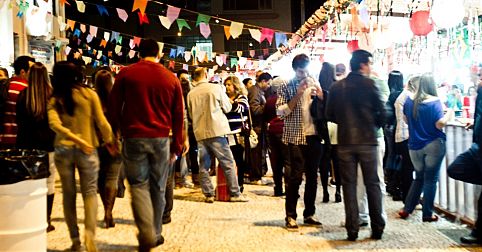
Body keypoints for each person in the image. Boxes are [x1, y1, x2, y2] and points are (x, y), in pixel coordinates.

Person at [108, 39, 185, 251]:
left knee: (139, 186)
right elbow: (179, 114)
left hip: (133, 137)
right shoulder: (171, 78)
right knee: (158, 187)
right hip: (161, 139)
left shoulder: (126, 73)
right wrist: (177, 145)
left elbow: (114, 107)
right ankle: (155, 232)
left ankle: (146, 233)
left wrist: (113, 134)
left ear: (138, 52)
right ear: (158, 54)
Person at [48, 61, 115, 251]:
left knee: (68, 196)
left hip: (63, 150)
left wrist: (72, 138)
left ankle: (75, 241)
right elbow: (102, 122)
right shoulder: (89, 94)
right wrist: (109, 141)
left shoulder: (55, 99)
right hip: (88, 149)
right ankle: (90, 237)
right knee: (90, 193)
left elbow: (54, 125)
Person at [326, 50, 386, 241]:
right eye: (369, 64)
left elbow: (329, 114)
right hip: (368, 141)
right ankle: (377, 228)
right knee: (373, 184)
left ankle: (352, 229)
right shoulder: (370, 84)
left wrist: (344, 122)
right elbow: (383, 113)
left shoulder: (336, 87)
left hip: (345, 142)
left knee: (349, 186)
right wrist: (373, 124)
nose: (370, 67)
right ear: (362, 65)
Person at [276, 54, 324, 229]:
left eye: (307, 70)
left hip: (314, 136)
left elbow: (324, 108)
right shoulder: (286, 86)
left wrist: (320, 96)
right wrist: (297, 95)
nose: (305, 75)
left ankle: (309, 213)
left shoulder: (314, 82)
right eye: (301, 71)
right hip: (295, 137)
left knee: (313, 178)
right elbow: (280, 112)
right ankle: (290, 215)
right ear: (295, 70)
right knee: (294, 177)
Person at [398, 73, 454, 222]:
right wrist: (449, 113)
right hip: (433, 144)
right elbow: (439, 124)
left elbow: (405, 119)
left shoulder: (409, 101)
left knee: (419, 178)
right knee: (430, 179)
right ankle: (427, 214)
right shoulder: (435, 101)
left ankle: (407, 209)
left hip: (414, 146)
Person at [187, 67, 247, 203]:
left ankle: (208, 194)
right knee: (228, 162)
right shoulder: (216, 88)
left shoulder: (191, 94)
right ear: (206, 74)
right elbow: (227, 107)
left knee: (204, 165)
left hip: (200, 132)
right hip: (217, 130)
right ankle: (235, 193)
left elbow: (190, 114)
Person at [16, 62, 56, 232]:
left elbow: (19, 121)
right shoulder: (52, 96)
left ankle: (29, 217)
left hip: (26, 146)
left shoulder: (23, 95)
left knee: (28, 182)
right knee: (49, 182)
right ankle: (46, 220)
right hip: (49, 146)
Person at [447, 69, 482, 244]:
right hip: (478, 146)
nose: (478, 78)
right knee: (455, 168)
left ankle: (477, 233)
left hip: (479, 146)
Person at [93, 69, 122, 229]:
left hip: (96, 144)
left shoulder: (93, 99)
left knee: (100, 179)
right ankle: (108, 212)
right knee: (112, 179)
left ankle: (106, 209)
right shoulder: (117, 100)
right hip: (115, 143)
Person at [0, 56, 35, 148]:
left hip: (4, 137)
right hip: (20, 139)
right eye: (32, 70)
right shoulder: (27, 89)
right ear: (23, 72)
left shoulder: (5, 85)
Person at [394, 76, 419, 202]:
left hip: (401, 135)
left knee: (406, 167)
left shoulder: (403, 95)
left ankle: (407, 197)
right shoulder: (410, 96)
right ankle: (409, 198)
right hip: (407, 135)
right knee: (408, 168)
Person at [224, 76, 249, 193]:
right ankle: (229, 184)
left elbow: (241, 108)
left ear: (235, 86)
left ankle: (240, 184)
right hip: (226, 134)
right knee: (228, 161)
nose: (227, 87)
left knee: (239, 160)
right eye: (226, 85)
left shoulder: (242, 97)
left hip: (238, 134)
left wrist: (229, 102)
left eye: (229, 85)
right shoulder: (224, 98)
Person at [317, 62, 337, 202]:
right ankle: (338, 191)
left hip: (322, 127)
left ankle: (325, 191)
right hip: (336, 127)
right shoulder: (338, 87)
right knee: (337, 160)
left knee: (324, 161)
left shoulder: (318, 87)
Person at [264, 77, 288, 196]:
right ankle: (289, 188)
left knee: (276, 160)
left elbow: (266, 117)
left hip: (272, 132)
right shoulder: (287, 99)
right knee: (288, 161)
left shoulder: (269, 100)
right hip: (285, 130)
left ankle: (278, 188)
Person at [247, 72, 272, 183]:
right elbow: (255, 109)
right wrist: (268, 106)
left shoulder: (259, 91)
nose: (269, 86)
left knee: (259, 152)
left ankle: (258, 174)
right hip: (256, 127)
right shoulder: (255, 91)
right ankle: (255, 176)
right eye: (268, 83)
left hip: (260, 126)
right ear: (263, 81)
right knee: (256, 153)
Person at [384, 70, 405, 201]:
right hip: (397, 127)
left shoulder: (389, 93)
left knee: (391, 154)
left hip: (388, 127)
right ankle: (394, 184)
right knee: (397, 156)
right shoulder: (400, 94)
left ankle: (390, 181)